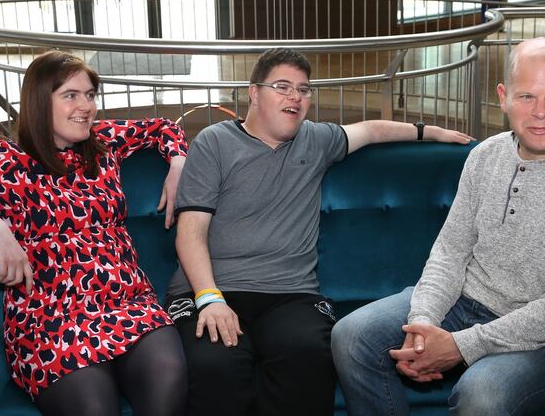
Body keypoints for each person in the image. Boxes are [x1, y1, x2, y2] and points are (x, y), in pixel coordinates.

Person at [163, 47, 474, 416]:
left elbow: (372, 130)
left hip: (289, 293)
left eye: (303, 89)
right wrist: (210, 299)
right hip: (212, 288)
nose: (295, 96)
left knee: (308, 355)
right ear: (254, 92)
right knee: (216, 366)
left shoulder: (316, 139)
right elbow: (190, 232)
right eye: (282, 86)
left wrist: (432, 132)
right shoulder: (215, 142)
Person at [331, 37, 545, 415]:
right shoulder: (485, 156)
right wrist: (422, 327)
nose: (540, 112)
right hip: (465, 302)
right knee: (351, 336)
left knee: (483, 395)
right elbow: (450, 252)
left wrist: (459, 346)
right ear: (504, 97)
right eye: (526, 97)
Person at [0, 51, 189, 416]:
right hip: (52, 320)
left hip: (129, 305)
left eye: (90, 95)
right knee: (93, 410)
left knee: (170, 380)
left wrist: (178, 161)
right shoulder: (5, 160)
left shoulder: (103, 144)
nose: (86, 106)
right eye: (70, 95)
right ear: (39, 102)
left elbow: (164, 127)